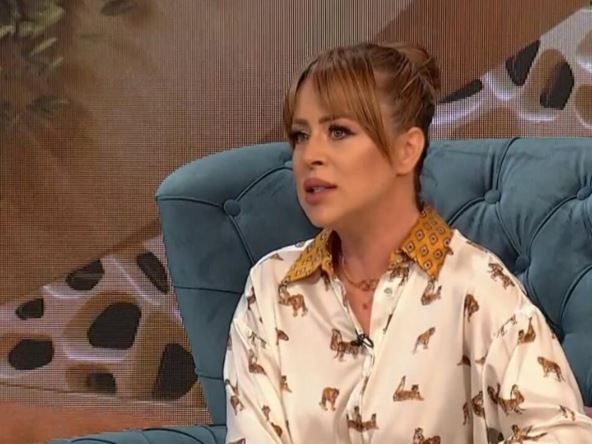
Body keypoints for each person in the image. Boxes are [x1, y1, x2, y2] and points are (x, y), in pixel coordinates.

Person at [222, 42, 592, 443]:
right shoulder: (271, 286)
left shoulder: (476, 283)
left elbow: (563, 434)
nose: (310, 155)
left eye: (338, 132)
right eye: (300, 135)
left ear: (406, 150)